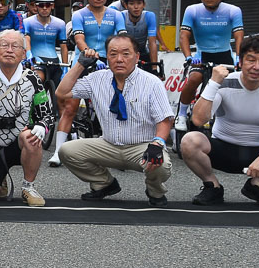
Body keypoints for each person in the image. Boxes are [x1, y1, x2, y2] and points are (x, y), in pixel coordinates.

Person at [181, 34, 259, 208]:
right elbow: (198, 119)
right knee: (189, 140)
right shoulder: (224, 84)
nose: (257, 66)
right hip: (223, 148)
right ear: (240, 61)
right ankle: (212, 186)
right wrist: (213, 83)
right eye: (251, 60)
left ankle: (257, 186)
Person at [57, 34, 174, 206]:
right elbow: (62, 93)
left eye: (126, 54)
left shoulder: (151, 82)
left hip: (141, 146)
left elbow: (164, 119)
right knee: (66, 150)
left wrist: (157, 143)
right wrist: (80, 64)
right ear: (107, 57)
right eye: (113, 54)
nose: (119, 59)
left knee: (161, 163)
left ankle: (155, 190)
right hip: (108, 145)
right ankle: (104, 184)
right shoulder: (97, 79)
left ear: (137, 57)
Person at [0, 30, 52, 206]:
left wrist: (42, 125)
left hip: (19, 142)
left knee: (31, 137)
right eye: (4, 45)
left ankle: (28, 186)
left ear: (23, 53)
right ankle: (0, 178)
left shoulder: (32, 78)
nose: (10, 50)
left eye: (16, 46)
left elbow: (47, 114)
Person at [49, 0, 127, 166]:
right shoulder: (79, 15)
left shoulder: (116, 15)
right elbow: (79, 39)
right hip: (83, 62)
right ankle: (58, 151)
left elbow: (122, 39)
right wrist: (89, 54)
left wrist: (118, 56)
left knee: (115, 105)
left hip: (108, 62)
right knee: (70, 108)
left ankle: (114, 147)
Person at [176, 0, 244, 131]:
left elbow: (239, 36)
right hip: (202, 55)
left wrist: (239, 57)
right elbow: (184, 36)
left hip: (224, 54)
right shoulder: (192, 10)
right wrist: (188, 57)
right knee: (194, 79)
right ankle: (181, 114)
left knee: (230, 87)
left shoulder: (233, 10)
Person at [22, 0, 68, 89]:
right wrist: (29, 54)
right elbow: (27, 40)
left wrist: (65, 67)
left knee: (60, 88)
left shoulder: (60, 23)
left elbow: (64, 47)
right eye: (41, 5)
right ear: (36, 6)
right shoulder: (27, 22)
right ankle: (35, 104)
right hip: (36, 59)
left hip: (54, 60)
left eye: (47, 5)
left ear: (52, 6)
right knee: (38, 79)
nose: (44, 8)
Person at [118, 0, 161, 72]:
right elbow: (119, 41)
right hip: (125, 52)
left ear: (144, 5)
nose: (136, 7)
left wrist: (154, 68)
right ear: (126, 5)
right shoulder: (120, 16)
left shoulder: (149, 16)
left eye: (139, 3)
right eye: (132, 3)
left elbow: (152, 43)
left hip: (143, 52)